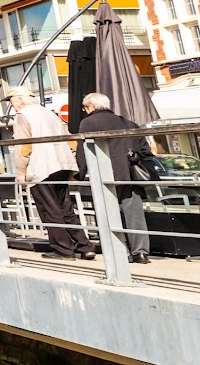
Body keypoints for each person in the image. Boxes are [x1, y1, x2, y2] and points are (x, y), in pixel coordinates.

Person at [8, 91, 92, 258]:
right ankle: (84, 246)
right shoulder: (50, 113)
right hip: (62, 164)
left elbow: (23, 146)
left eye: (11, 101)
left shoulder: (22, 116)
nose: (12, 105)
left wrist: (21, 172)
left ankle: (63, 249)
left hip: (42, 167)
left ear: (19, 100)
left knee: (49, 209)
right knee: (65, 208)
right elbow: (70, 140)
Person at [76, 92, 151, 263]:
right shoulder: (129, 123)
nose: (85, 111)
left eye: (85, 108)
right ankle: (141, 253)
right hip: (130, 176)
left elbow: (83, 151)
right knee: (134, 215)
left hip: (105, 176)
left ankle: (121, 252)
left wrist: (79, 174)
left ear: (91, 106)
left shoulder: (88, 123)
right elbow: (145, 151)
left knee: (109, 215)